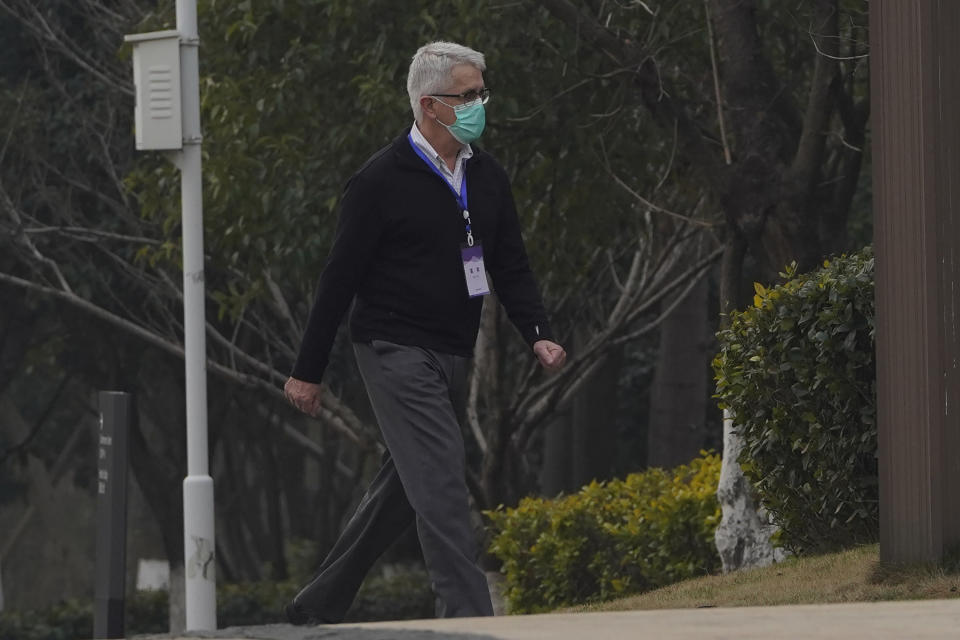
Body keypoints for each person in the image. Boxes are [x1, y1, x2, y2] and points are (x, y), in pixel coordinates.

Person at [282, 41, 566, 625]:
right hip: (392, 347)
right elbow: (338, 281)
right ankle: (468, 620)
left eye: (481, 92)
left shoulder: (486, 175)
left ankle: (319, 604)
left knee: (406, 484)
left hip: (452, 349)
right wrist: (307, 371)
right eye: (469, 95)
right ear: (431, 105)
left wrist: (536, 330)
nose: (480, 104)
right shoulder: (379, 181)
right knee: (439, 481)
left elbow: (509, 264)